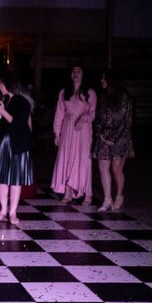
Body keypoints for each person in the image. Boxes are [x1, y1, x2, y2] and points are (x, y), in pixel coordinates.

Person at [0, 71, 34, 225]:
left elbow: (19, 124)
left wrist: (3, 112)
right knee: (2, 177)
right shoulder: (5, 100)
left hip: (18, 143)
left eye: (0, 82)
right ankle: (3, 209)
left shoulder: (22, 101)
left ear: (8, 83)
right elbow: (4, 125)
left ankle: (13, 212)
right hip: (5, 143)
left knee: (15, 179)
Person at [51, 65, 96, 205]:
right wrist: (56, 132)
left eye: (79, 71)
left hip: (82, 129)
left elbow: (93, 112)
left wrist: (84, 118)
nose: (75, 73)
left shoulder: (90, 92)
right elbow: (59, 113)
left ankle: (87, 194)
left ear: (83, 74)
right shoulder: (64, 92)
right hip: (67, 128)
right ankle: (68, 191)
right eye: (73, 71)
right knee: (67, 158)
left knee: (83, 159)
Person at [93, 70, 134, 211]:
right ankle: (107, 199)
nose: (101, 81)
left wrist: (113, 139)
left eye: (104, 78)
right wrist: (101, 134)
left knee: (116, 168)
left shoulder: (125, 98)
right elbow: (98, 117)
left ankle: (119, 196)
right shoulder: (103, 97)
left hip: (120, 138)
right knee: (102, 167)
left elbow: (126, 123)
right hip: (104, 136)